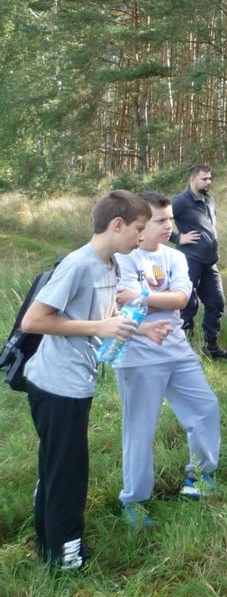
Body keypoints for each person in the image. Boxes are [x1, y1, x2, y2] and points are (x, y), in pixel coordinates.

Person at [20, 190, 170, 570]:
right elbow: (34, 321)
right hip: (55, 385)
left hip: (77, 382)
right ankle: (65, 556)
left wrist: (141, 332)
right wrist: (100, 325)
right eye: (138, 228)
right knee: (69, 472)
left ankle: (47, 545)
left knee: (57, 465)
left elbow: (105, 319)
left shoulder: (112, 265)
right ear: (116, 224)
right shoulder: (79, 264)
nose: (141, 237)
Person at [114, 192, 222, 527]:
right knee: (140, 429)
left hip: (178, 350)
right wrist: (158, 299)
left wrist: (144, 297)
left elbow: (183, 298)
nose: (169, 226)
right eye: (161, 220)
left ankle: (200, 478)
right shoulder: (124, 258)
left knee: (205, 408)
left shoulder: (176, 257)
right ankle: (135, 501)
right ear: (140, 226)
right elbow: (122, 301)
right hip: (137, 354)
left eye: (171, 219)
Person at [171, 165, 227, 359]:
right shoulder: (180, 201)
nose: (208, 182)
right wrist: (178, 238)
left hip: (210, 261)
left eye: (210, 178)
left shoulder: (209, 200)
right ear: (192, 180)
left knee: (217, 301)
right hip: (189, 259)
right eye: (204, 179)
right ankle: (184, 347)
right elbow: (155, 218)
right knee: (187, 303)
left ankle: (211, 346)